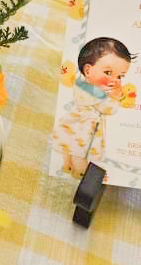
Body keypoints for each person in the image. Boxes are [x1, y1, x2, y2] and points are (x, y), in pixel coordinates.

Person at [52, 37, 133, 179]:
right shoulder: (96, 93)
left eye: (120, 76)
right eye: (108, 72)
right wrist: (115, 98)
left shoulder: (80, 84)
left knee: (68, 146)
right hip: (85, 130)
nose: (114, 80)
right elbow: (109, 109)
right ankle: (81, 172)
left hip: (73, 123)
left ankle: (67, 165)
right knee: (80, 153)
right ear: (88, 70)